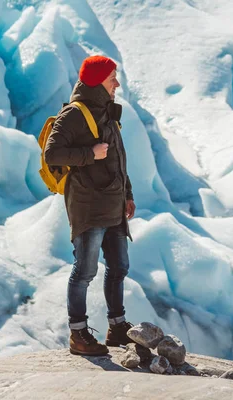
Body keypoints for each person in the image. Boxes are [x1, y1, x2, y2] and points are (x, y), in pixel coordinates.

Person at [44, 55, 136, 356]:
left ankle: (117, 327)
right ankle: (78, 334)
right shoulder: (74, 114)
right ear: (98, 81)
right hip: (88, 205)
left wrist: (128, 194)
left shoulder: (107, 112)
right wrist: (89, 154)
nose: (117, 84)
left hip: (112, 203)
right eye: (113, 78)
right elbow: (53, 154)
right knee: (84, 271)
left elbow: (118, 158)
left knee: (119, 266)